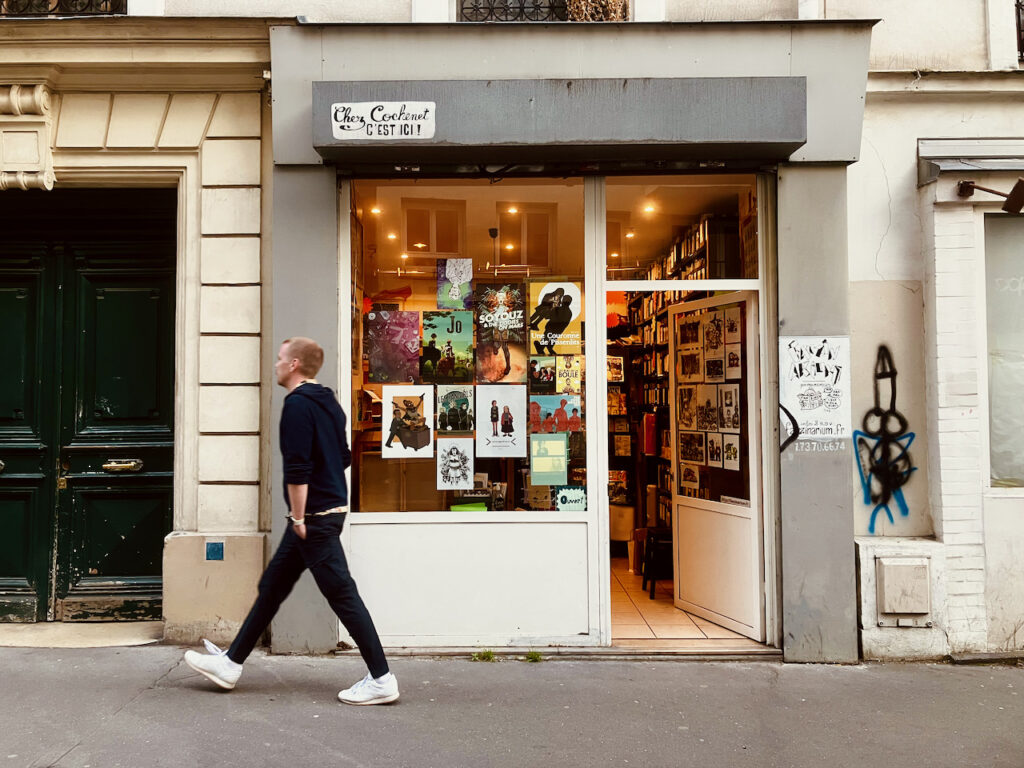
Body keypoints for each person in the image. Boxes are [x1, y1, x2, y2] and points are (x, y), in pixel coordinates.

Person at [184, 337, 398, 706]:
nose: (277, 365)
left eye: (281, 359)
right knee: (273, 586)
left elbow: (297, 472)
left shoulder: (298, 406)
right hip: (320, 513)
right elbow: (343, 457)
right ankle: (231, 663)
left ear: (295, 363)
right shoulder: (328, 401)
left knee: (342, 594)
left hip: (312, 518)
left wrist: (299, 515)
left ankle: (381, 678)